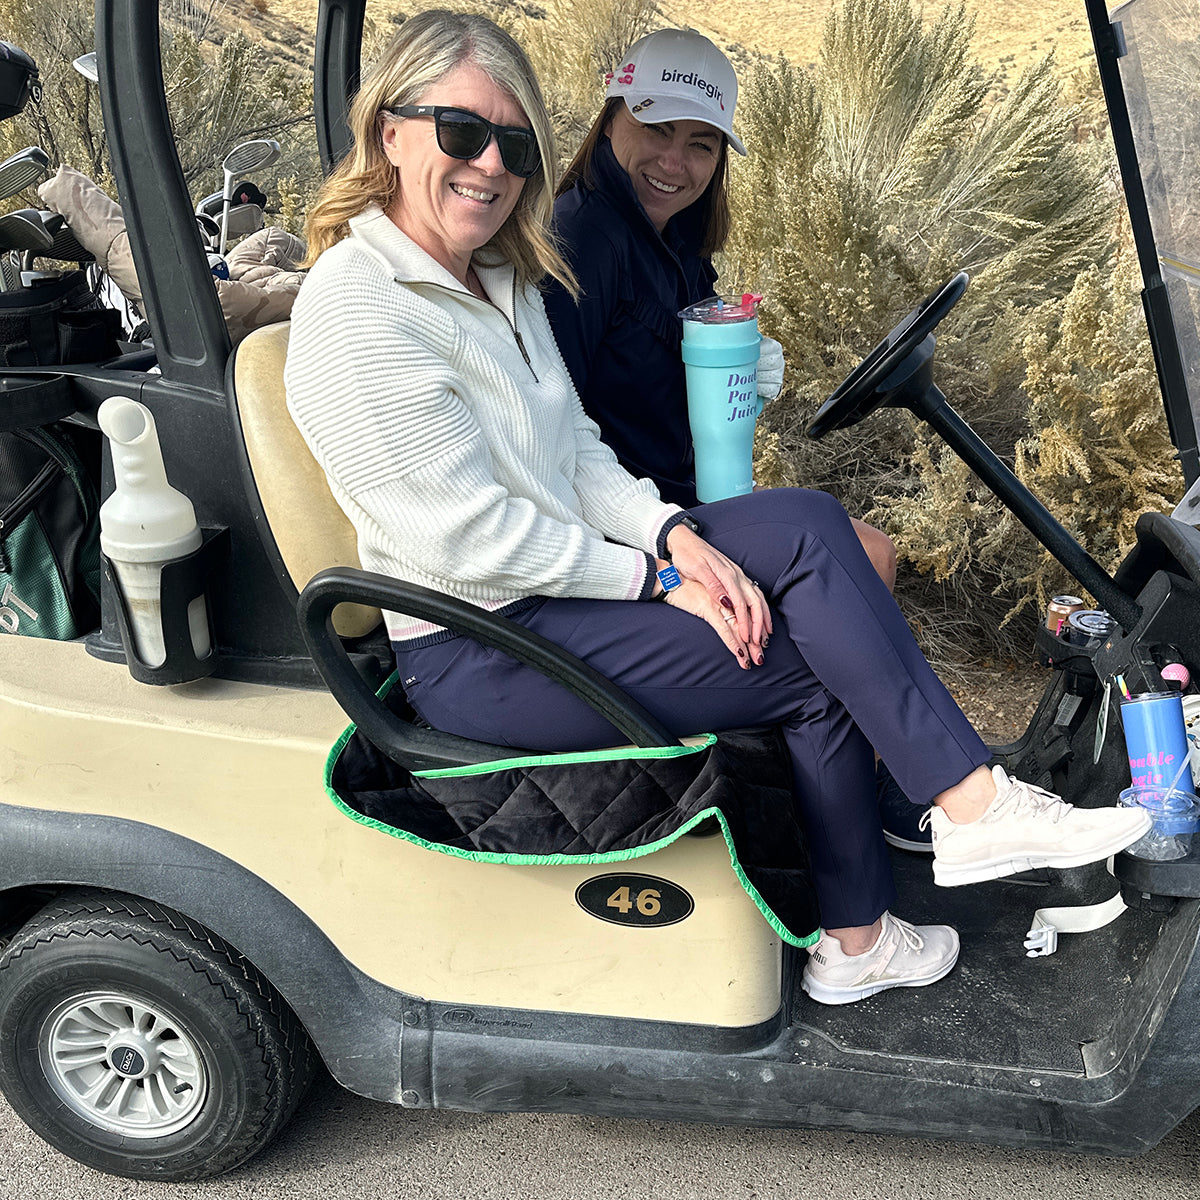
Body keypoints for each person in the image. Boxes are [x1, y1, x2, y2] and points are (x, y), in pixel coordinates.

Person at [284, 9, 1150, 1007]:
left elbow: (574, 449)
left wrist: (670, 535)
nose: (491, 164)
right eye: (462, 132)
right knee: (809, 663)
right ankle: (866, 932)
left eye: (514, 143)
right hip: (481, 643)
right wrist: (653, 578)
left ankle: (970, 806)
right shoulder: (359, 308)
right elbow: (465, 540)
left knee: (813, 527)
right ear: (390, 129)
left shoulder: (496, 275)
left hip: (559, 586)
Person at [542, 28, 932, 851]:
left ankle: (856, 781)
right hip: (635, 519)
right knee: (859, 556)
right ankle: (866, 793)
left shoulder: (674, 241)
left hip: (685, 496)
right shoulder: (584, 240)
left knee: (861, 548)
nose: (674, 164)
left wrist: (740, 373)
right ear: (612, 114)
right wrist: (666, 550)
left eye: (701, 143)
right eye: (656, 131)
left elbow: (673, 376)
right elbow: (562, 435)